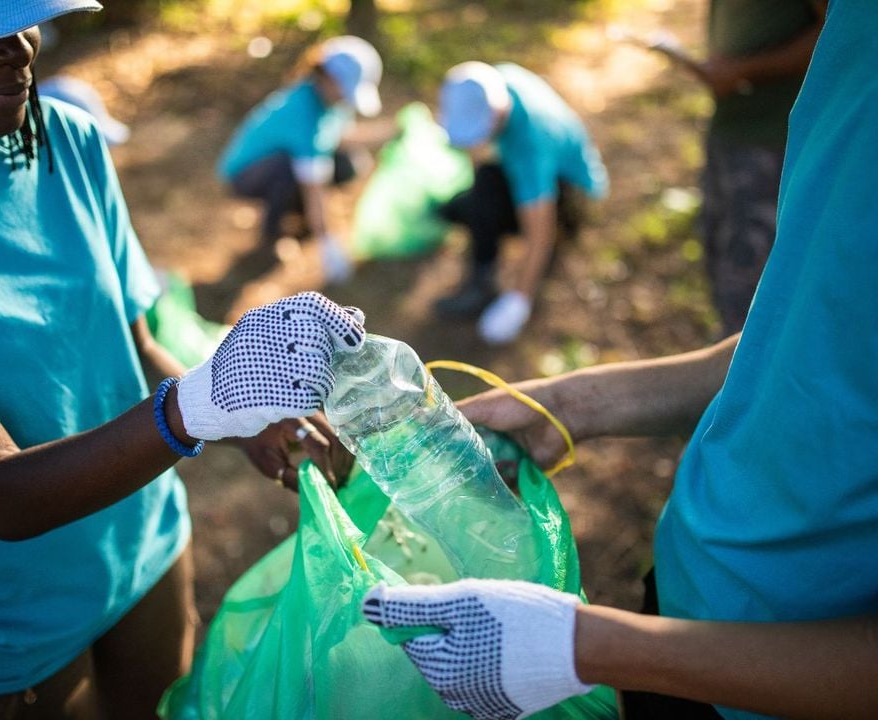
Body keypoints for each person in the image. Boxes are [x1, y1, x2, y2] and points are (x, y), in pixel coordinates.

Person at [362, 1, 878, 718]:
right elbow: (806, 342)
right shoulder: (853, 33)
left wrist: (588, 647)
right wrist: (570, 407)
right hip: (689, 580)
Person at [0, 1, 364, 718]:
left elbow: (134, 340)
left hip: (142, 548)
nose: (16, 45)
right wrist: (203, 404)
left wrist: (244, 417)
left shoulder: (65, 142)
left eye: (22, 15)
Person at [671, 0, 826, 335]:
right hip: (729, 131)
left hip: (773, 139)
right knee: (722, 267)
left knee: (755, 291)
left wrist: (744, 70)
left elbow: (836, 35)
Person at [432, 60, 609, 346]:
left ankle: (485, 285)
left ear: (497, 116)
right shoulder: (498, 79)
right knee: (471, 199)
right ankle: (483, 265)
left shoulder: (530, 146)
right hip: (543, 169)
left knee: (484, 195)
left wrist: (518, 301)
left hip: (571, 194)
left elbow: (540, 232)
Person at [217, 35, 383, 285]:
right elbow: (313, 186)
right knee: (286, 171)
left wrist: (390, 132)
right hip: (247, 175)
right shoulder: (302, 112)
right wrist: (327, 241)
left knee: (347, 164)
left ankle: (301, 221)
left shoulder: (329, 99)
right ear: (327, 77)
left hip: (285, 163)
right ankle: (271, 238)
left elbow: (340, 137)